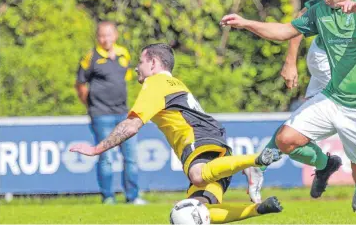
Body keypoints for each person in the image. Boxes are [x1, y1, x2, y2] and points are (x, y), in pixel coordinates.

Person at [221, 0, 356, 223]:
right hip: (334, 97)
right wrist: (246, 23)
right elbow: (285, 31)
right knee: (285, 138)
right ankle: (326, 165)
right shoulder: (319, 10)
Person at [71, 43, 283, 223]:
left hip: (198, 137)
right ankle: (258, 208)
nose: (136, 68)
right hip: (214, 143)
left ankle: (254, 162)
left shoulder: (155, 83)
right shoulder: (174, 82)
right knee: (197, 209)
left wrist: (97, 148)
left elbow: (132, 125)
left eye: (141, 62)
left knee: (197, 175)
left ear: (153, 63)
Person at [75, 21, 146, 205]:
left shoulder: (124, 54)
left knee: (131, 157)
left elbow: (127, 78)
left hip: (123, 113)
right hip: (101, 114)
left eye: (108, 35)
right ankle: (108, 197)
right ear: (97, 37)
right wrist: (91, 105)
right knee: (105, 156)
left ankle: (133, 197)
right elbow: (80, 85)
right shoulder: (90, 57)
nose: (105, 39)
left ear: (115, 35)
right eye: (101, 35)